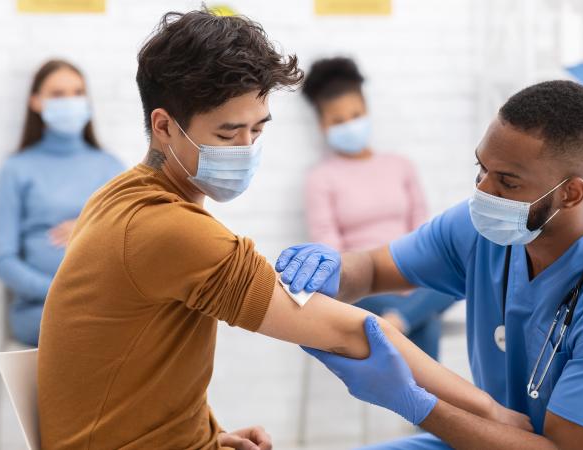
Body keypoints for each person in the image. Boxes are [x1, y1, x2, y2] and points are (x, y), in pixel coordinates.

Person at [36, 10, 531, 450]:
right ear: (164, 126)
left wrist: (205, 434)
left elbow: (127, 365)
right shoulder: (168, 229)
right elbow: (349, 329)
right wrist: (491, 413)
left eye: (259, 128)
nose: (247, 148)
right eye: (228, 133)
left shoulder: (120, 195)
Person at [278, 80, 583, 449]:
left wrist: (416, 403)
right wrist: (333, 271)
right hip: (503, 437)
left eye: (508, 181)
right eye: (481, 168)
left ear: (571, 194)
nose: (483, 190)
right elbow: (372, 269)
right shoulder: (479, 228)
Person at [299, 56, 456, 360]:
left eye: (355, 115)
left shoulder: (400, 166)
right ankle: (436, 399)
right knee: (427, 320)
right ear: (323, 125)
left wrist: (410, 278)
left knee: (458, 275)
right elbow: (330, 250)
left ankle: (395, 323)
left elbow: (422, 232)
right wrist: (379, 280)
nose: (349, 125)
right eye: (338, 121)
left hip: (412, 274)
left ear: (367, 112)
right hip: (361, 287)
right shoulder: (320, 179)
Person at [0, 59, 124, 346]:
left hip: (103, 303)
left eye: (78, 92)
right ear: (36, 102)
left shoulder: (111, 167)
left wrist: (87, 226)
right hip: (39, 309)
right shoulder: (17, 168)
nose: (71, 102)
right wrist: (58, 291)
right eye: (58, 94)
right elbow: (4, 260)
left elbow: (132, 241)